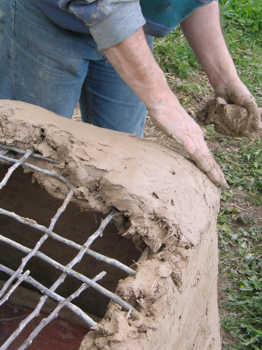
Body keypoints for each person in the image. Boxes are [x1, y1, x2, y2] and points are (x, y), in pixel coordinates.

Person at [0, 0, 259, 188]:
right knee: (32, 151)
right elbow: (103, 6)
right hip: (48, 16)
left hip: (132, 23)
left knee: (123, 154)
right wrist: (164, 103)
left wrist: (224, 78)